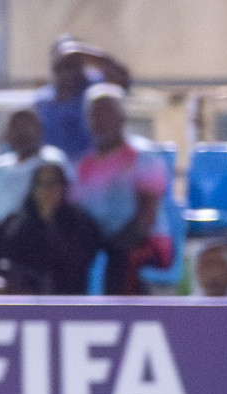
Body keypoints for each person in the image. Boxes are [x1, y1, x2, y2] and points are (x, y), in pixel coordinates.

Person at [72, 84, 169, 296]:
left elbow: (147, 215)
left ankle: (119, 317)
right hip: (99, 242)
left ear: (122, 118)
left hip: (144, 241)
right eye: (95, 114)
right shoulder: (83, 165)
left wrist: (112, 245)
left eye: (107, 113)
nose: (101, 120)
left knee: (122, 258)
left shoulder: (143, 156)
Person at [0, 162, 102, 295]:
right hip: (24, 300)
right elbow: (1, 258)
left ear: (63, 187)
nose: (47, 190)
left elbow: (80, 261)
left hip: (67, 298)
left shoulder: (80, 223)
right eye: (41, 184)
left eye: (53, 184)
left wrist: (50, 225)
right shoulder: (15, 223)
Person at [33, 35, 132, 161]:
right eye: (61, 66)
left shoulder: (95, 87)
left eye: (72, 64)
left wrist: (81, 51)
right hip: (57, 173)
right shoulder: (43, 100)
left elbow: (122, 77)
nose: (67, 72)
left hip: (94, 168)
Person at [0, 108, 71, 223]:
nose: (21, 131)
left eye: (26, 125)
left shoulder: (53, 161)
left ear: (39, 129)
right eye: (15, 126)